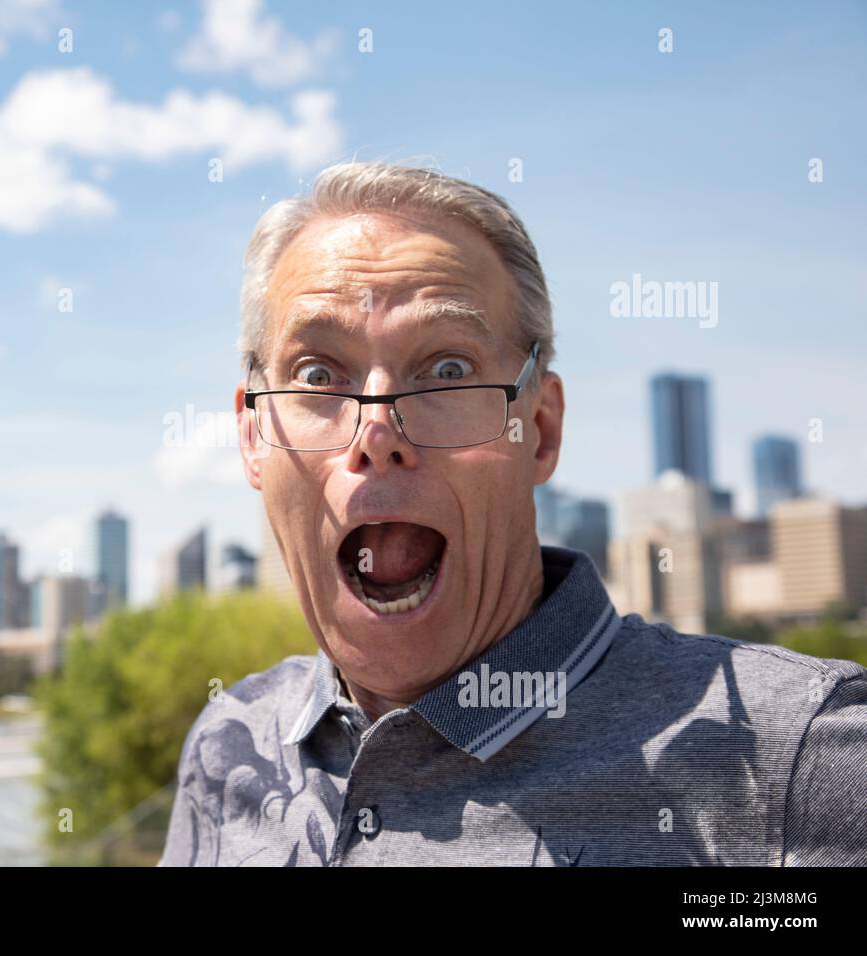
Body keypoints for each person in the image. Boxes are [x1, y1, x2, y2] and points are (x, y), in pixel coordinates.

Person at [157, 160, 867, 866]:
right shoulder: (229, 744)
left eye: (447, 370)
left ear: (542, 429)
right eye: (317, 374)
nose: (376, 435)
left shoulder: (803, 759)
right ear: (254, 439)